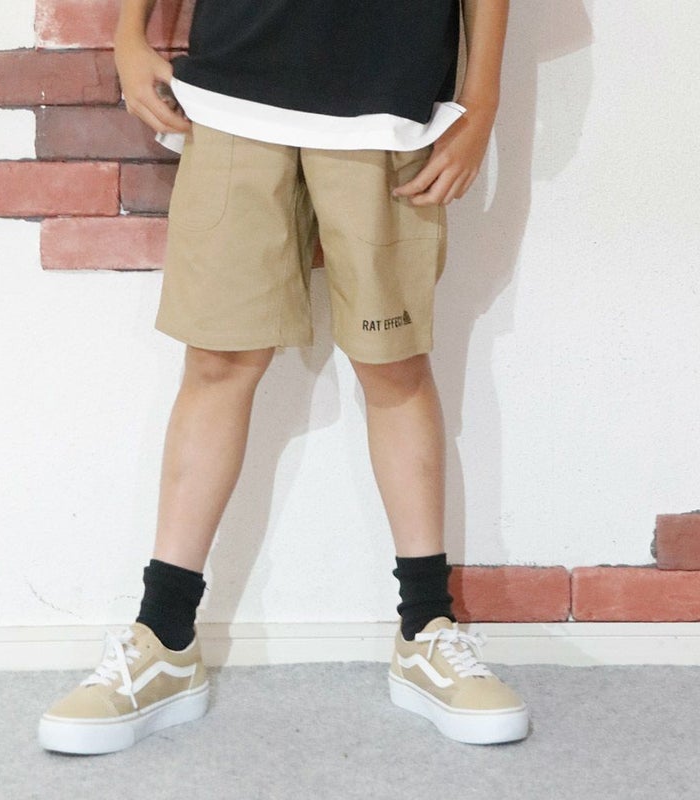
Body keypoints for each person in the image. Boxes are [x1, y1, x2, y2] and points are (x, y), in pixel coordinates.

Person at [38, 0, 528, 754]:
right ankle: (164, 639)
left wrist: (482, 100)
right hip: (234, 91)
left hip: (386, 102)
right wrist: (128, 34)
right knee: (217, 363)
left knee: (394, 367)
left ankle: (426, 628)